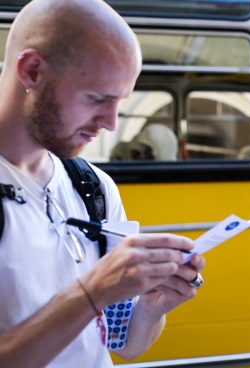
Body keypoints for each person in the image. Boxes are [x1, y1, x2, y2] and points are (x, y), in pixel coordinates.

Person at [0, 0, 206, 366]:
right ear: (31, 71)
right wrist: (90, 294)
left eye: (119, 102)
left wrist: (151, 307)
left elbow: (122, 343)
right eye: (97, 99)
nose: (110, 123)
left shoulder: (92, 186)